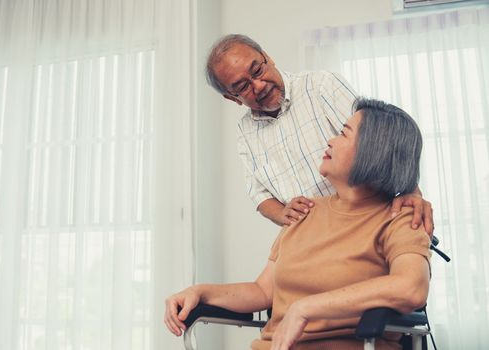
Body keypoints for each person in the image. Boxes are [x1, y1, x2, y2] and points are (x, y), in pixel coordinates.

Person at [165, 98, 431, 349]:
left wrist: (306, 308)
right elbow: (261, 291)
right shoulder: (304, 211)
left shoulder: (402, 217)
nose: (330, 140)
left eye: (344, 133)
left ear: (373, 151)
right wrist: (200, 291)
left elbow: (411, 288)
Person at [206, 34, 433, 233]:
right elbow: (259, 194)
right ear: (232, 98)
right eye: (242, 87)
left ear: (268, 57)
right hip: (312, 240)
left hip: (367, 224)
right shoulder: (245, 132)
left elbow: (379, 140)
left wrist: (411, 190)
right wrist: (282, 212)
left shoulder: (321, 86)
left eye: (257, 70)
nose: (259, 85)